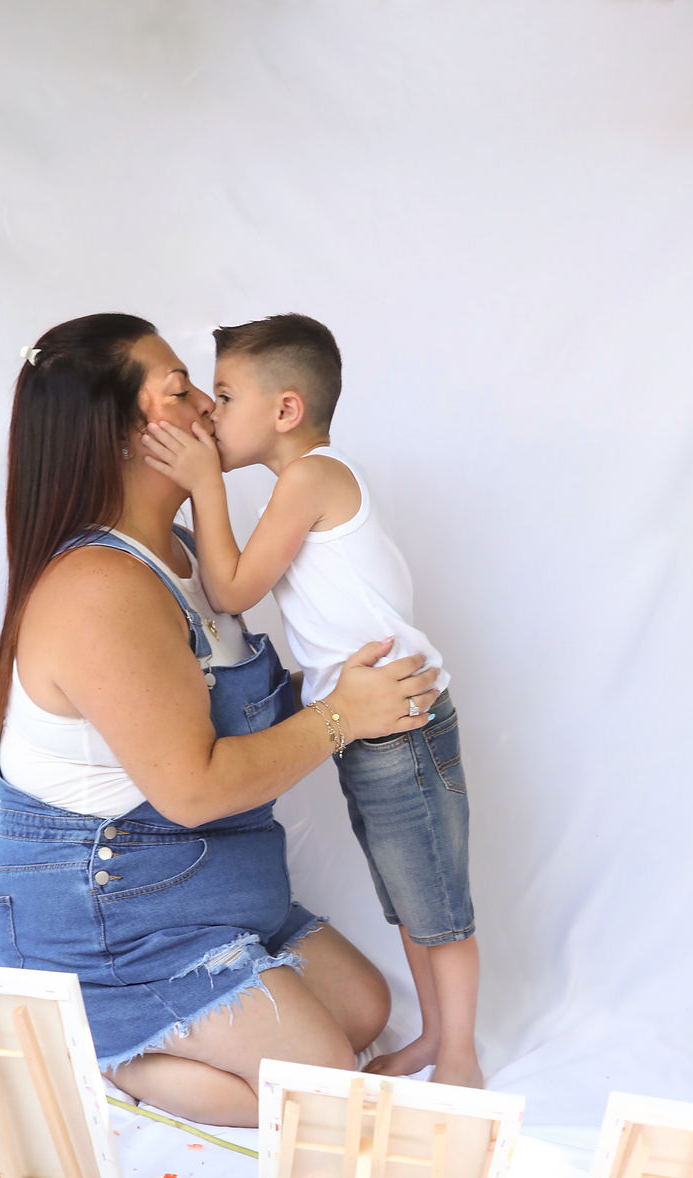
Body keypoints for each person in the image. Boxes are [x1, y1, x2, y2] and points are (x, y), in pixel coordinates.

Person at [0, 312, 439, 1127]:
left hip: (212, 885)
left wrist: (347, 678)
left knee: (364, 1010)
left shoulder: (189, 554)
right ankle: (102, 1052)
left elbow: (222, 711)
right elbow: (191, 788)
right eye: (185, 391)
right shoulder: (100, 589)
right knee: (319, 1083)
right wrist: (339, 718)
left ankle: (194, 1026)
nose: (210, 410)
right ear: (123, 435)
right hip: (111, 912)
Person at [142, 313, 482, 1088]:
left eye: (224, 397)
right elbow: (236, 586)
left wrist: (200, 485)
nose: (210, 414)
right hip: (366, 726)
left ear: (286, 411)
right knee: (404, 895)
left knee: (437, 902)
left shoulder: (312, 478)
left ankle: (460, 1052)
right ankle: (433, 1036)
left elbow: (228, 587)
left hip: (404, 724)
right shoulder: (297, 491)